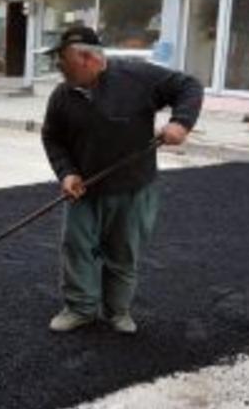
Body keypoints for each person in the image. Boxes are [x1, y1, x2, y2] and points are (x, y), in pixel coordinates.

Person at [41, 26, 203, 334]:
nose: (58, 66)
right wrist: (67, 172)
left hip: (133, 188)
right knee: (77, 248)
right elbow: (52, 138)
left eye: (62, 60)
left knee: (122, 252)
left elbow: (189, 86)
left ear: (87, 58)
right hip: (84, 189)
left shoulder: (137, 77)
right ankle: (80, 308)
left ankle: (117, 311)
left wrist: (181, 122)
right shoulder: (63, 95)